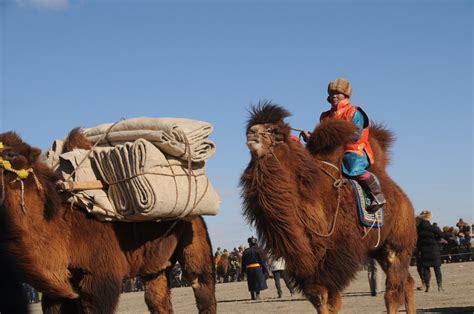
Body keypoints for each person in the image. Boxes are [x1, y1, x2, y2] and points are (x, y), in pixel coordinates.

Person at [301, 78, 385, 212]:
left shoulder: (354, 112)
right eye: (331, 93)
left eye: (337, 93)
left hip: (353, 150)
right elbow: (322, 137)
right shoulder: (325, 116)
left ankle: (377, 195)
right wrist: (310, 138)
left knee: (351, 167)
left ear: (345, 95)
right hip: (330, 152)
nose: (334, 95)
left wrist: (332, 137)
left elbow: (355, 135)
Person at [416, 210, 445, 292]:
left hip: (423, 250)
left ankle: (428, 286)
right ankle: (440, 286)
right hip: (434, 249)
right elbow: (442, 235)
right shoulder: (433, 228)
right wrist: (436, 238)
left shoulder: (418, 229)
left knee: (425, 269)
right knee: (437, 269)